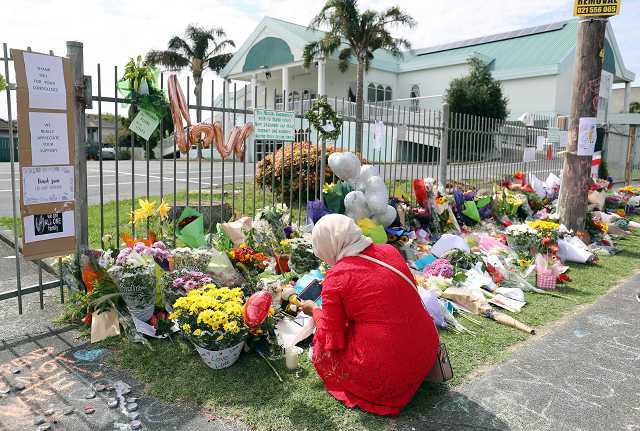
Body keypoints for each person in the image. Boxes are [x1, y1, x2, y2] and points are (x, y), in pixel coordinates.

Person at [298, 214, 440, 417]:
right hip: (426, 351)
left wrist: (315, 310)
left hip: (387, 373)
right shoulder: (389, 250)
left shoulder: (337, 276)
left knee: (323, 346)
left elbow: (332, 337)